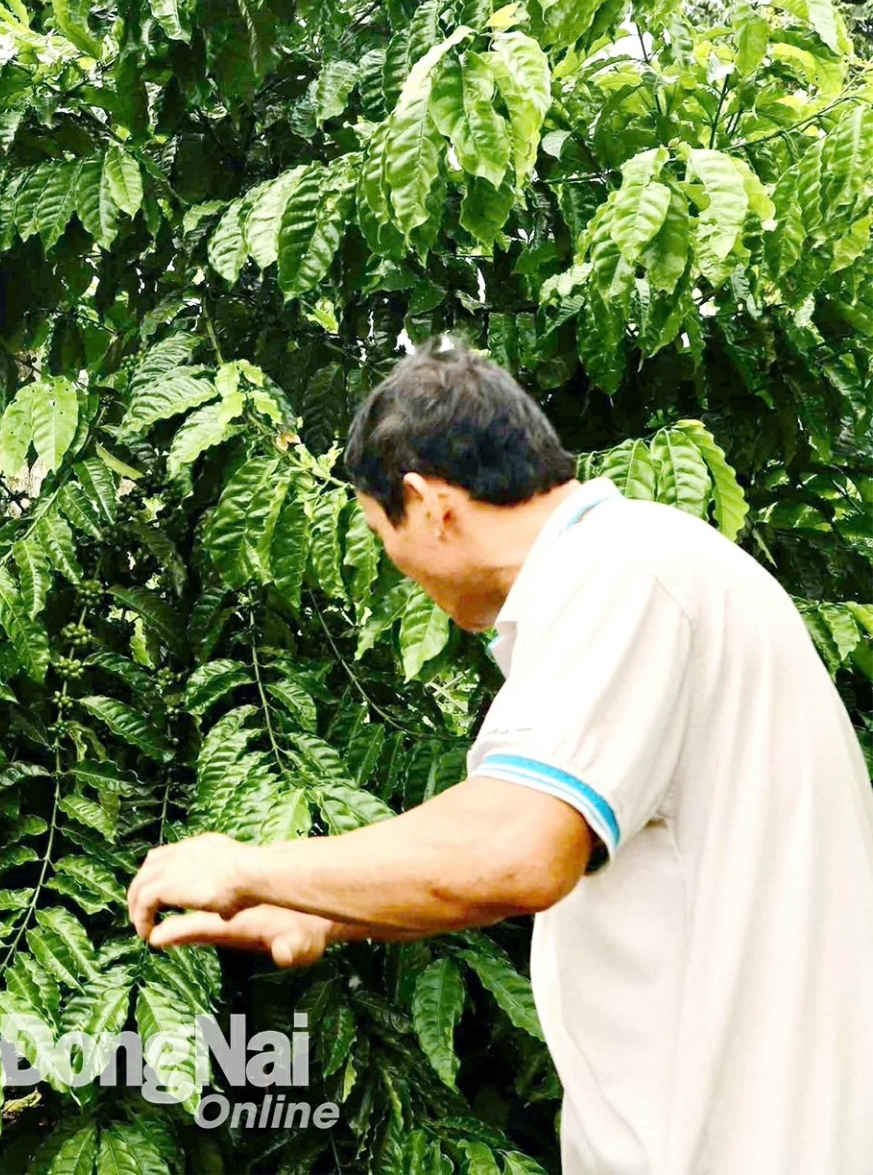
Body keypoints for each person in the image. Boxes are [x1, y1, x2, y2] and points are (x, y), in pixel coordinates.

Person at [127, 339, 873, 1173]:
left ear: (428, 504)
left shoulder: (620, 574)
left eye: (383, 533)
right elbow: (541, 850)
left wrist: (251, 865)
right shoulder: (649, 564)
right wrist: (320, 908)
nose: (398, 567)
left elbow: (513, 850)